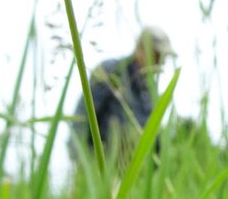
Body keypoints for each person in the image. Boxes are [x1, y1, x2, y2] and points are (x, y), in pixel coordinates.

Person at [72, 26, 173, 158]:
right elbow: (83, 116)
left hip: (134, 167)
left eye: (163, 58)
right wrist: (80, 157)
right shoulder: (111, 71)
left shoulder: (150, 91)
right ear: (141, 49)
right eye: (157, 54)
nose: (161, 62)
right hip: (102, 161)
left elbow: (152, 133)